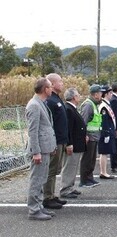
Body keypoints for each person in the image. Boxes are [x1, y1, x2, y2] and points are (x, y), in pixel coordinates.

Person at [25, 77, 57, 220]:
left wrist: (51, 146)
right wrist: (36, 152)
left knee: (42, 179)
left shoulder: (41, 103)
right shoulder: (34, 105)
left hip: (45, 149)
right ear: (45, 89)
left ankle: (39, 206)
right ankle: (33, 210)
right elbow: (33, 131)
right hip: (40, 151)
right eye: (50, 87)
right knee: (36, 180)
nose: (52, 89)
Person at [43, 73, 68, 210]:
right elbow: (49, 124)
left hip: (61, 140)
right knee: (51, 170)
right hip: (55, 141)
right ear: (52, 84)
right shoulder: (50, 101)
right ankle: (47, 197)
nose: (62, 83)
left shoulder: (57, 99)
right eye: (60, 81)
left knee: (56, 169)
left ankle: (52, 195)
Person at [59, 88, 87, 199]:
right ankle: (65, 189)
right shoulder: (68, 109)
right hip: (73, 144)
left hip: (77, 143)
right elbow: (68, 128)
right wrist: (69, 144)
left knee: (73, 166)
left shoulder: (72, 108)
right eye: (78, 95)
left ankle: (70, 187)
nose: (79, 96)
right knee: (69, 166)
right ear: (74, 97)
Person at [79, 84, 102, 188]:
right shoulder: (88, 105)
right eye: (100, 93)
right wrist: (84, 135)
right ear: (96, 94)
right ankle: (84, 180)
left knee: (91, 160)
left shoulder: (93, 104)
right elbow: (83, 121)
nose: (101, 95)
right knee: (87, 159)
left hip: (94, 137)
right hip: (89, 137)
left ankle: (89, 178)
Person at [98, 85, 116, 180]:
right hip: (106, 132)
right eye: (110, 93)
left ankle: (104, 171)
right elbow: (104, 120)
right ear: (106, 94)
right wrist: (106, 133)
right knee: (104, 152)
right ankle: (103, 172)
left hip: (108, 131)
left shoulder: (107, 104)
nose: (111, 94)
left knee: (106, 152)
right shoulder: (104, 106)